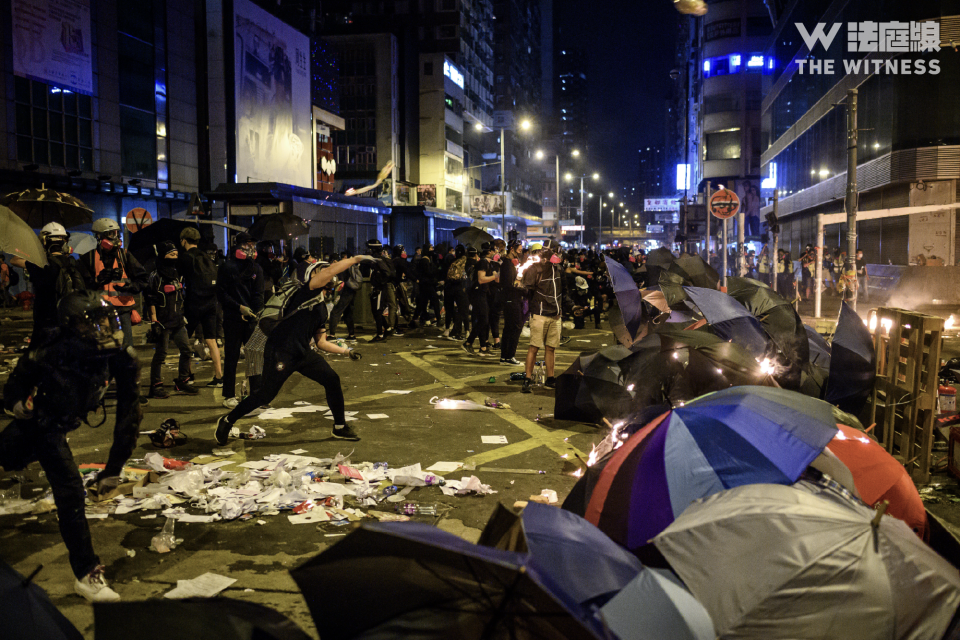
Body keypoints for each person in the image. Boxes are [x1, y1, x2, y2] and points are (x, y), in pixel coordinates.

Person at [1, 291, 141, 602]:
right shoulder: (52, 350)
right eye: (94, 324)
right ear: (72, 326)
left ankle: (85, 574)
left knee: (67, 491)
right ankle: (86, 573)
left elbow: (129, 417)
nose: (104, 330)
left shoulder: (119, 357)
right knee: (67, 489)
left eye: (106, 321)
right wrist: (14, 403)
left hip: (60, 427)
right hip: (42, 424)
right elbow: (16, 381)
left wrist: (114, 469)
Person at [214, 255, 373, 444]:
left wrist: (346, 352)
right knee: (265, 395)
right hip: (280, 351)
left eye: (326, 271)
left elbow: (321, 342)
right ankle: (227, 420)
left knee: (331, 379)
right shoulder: (307, 291)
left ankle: (339, 427)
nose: (327, 273)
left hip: (302, 353)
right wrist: (356, 258)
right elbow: (331, 270)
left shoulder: (322, 307)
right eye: (320, 270)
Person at [8, 222, 86, 347]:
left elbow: (14, 260)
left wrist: (34, 248)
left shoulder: (40, 264)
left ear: (44, 241)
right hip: (67, 316)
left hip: (45, 319)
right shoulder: (72, 262)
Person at [77, 217, 148, 349]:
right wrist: (97, 281)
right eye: (110, 234)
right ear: (99, 237)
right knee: (104, 347)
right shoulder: (89, 258)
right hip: (100, 311)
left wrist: (130, 286)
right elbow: (81, 287)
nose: (114, 237)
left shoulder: (125, 256)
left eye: (115, 233)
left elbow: (143, 279)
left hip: (123, 310)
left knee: (126, 348)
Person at [217, 232, 264, 409]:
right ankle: (228, 395)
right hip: (232, 319)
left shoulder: (256, 269)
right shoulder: (227, 267)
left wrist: (254, 313)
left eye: (253, 244)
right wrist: (239, 308)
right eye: (247, 243)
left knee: (255, 359)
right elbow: (221, 293)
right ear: (239, 246)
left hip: (251, 320)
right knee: (231, 357)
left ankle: (257, 395)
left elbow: (259, 294)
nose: (251, 247)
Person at [145, 242, 199, 398]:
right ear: (163, 256)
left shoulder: (177, 273)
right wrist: (154, 320)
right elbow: (151, 299)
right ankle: (155, 386)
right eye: (171, 255)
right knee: (161, 354)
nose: (175, 258)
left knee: (187, 350)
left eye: (176, 254)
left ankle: (182, 380)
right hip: (163, 321)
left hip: (178, 320)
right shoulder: (155, 276)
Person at [177, 227, 223, 386]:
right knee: (212, 340)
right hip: (211, 302)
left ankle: (187, 375)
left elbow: (179, 278)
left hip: (193, 303)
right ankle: (219, 376)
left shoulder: (185, 258)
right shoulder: (206, 256)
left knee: (185, 340)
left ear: (184, 240)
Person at [521, 239, 563, 393]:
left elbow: (561, 291)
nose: (559, 255)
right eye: (556, 252)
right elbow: (527, 291)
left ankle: (550, 378)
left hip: (555, 315)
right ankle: (527, 378)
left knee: (551, 348)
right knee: (534, 347)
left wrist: (569, 307)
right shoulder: (535, 269)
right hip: (539, 314)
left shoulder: (557, 269)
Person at [462, 246, 498, 357]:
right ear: (489, 252)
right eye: (494, 250)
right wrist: (495, 276)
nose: (496, 252)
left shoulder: (487, 263)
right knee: (484, 320)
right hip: (477, 294)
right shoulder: (483, 262)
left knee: (484, 320)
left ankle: (483, 347)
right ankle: (468, 342)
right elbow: (481, 279)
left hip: (482, 294)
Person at [498, 240, 524, 365]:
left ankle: (505, 356)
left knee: (509, 327)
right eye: (518, 251)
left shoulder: (511, 263)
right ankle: (509, 356)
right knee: (515, 327)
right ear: (512, 249)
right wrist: (520, 287)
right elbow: (509, 284)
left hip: (510, 298)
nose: (520, 253)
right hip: (511, 299)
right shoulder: (507, 265)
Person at [327, 251, 360, 340]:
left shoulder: (339, 268)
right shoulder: (346, 266)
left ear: (334, 261)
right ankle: (351, 335)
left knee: (335, 312)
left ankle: (332, 335)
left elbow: (339, 283)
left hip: (344, 293)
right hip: (351, 291)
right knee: (348, 313)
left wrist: (337, 295)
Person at [412, 244, 442, 329]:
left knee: (423, 302)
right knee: (433, 300)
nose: (432, 250)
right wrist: (436, 269)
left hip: (427, 284)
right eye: (431, 248)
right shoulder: (424, 260)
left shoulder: (428, 259)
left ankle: (418, 319)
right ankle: (438, 319)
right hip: (426, 284)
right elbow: (429, 272)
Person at [442, 245, 469, 341]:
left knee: (449, 309)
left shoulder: (451, 261)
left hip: (449, 287)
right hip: (460, 288)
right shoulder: (466, 262)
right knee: (463, 310)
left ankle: (447, 329)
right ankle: (464, 331)